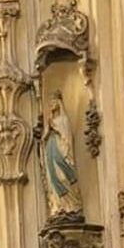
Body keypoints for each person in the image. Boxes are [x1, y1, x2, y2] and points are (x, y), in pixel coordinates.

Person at [42, 91, 83, 223]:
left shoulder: (63, 120)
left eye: (54, 102)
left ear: (59, 103)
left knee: (62, 176)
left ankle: (71, 207)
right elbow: (44, 138)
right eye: (51, 102)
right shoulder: (51, 121)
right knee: (53, 177)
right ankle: (58, 208)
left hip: (61, 151)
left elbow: (66, 136)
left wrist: (54, 126)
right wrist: (47, 129)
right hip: (51, 150)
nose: (52, 105)